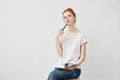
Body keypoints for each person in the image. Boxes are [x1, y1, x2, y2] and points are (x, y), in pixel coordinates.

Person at [47, 8, 88, 80]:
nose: (67, 19)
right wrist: (56, 39)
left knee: (52, 75)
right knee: (52, 76)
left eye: (69, 16)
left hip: (74, 69)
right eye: (64, 17)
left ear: (74, 17)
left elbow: (82, 57)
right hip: (62, 66)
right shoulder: (63, 35)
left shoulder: (81, 35)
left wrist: (73, 66)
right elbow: (61, 55)